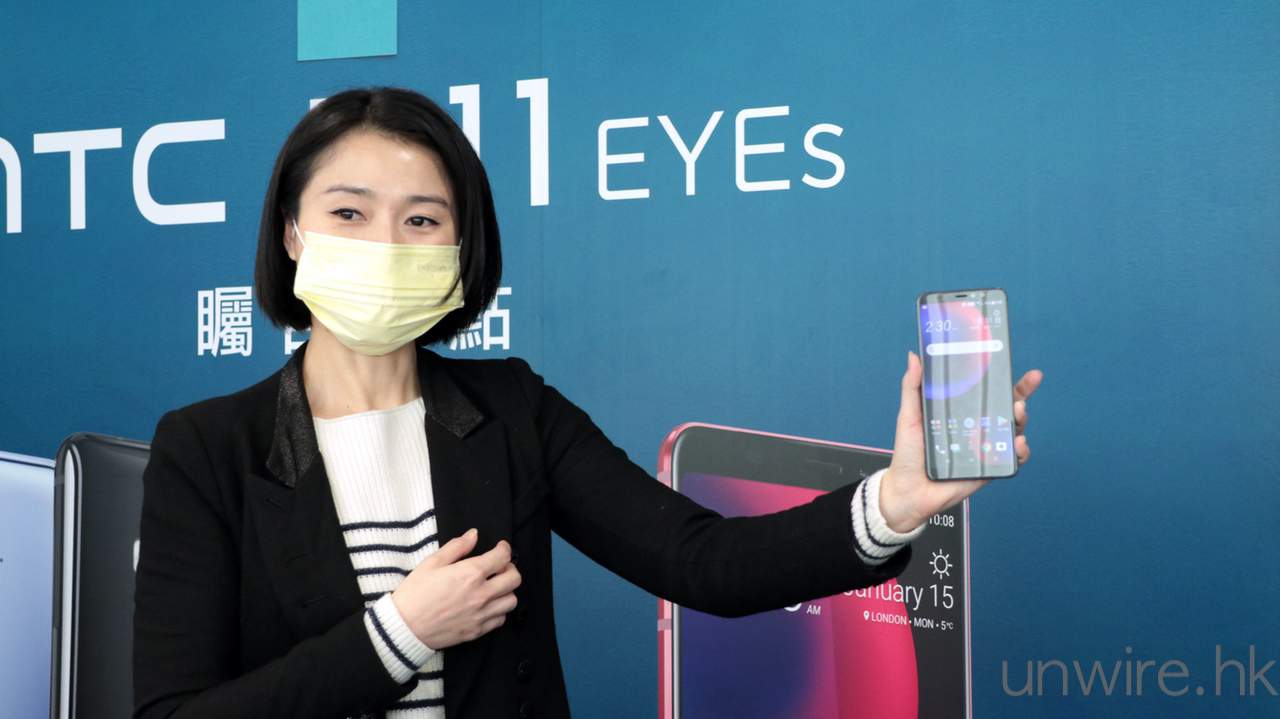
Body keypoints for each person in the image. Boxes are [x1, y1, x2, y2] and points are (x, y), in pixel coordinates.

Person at [131, 86, 1043, 719]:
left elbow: (707, 562)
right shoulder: (208, 447)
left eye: (422, 219)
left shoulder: (513, 410)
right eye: (348, 213)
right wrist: (401, 632)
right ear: (292, 233)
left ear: (460, 249)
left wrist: (897, 501)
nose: (386, 243)